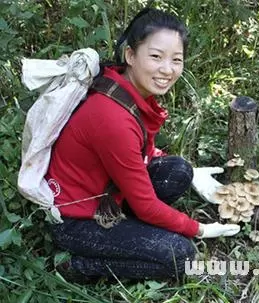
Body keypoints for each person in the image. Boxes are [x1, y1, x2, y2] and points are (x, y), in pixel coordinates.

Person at [46, 7, 239, 283]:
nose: (167, 70)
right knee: (181, 256)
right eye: (156, 57)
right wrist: (199, 229)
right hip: (77, 221)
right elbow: (146, 204)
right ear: (130, 56)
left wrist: (194, 173)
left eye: (176, 60)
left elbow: (141, 153)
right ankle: (79, 266)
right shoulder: (111, 118)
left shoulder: (126, 87)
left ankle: (131, 229)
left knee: (179, 171)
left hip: (109, 194)